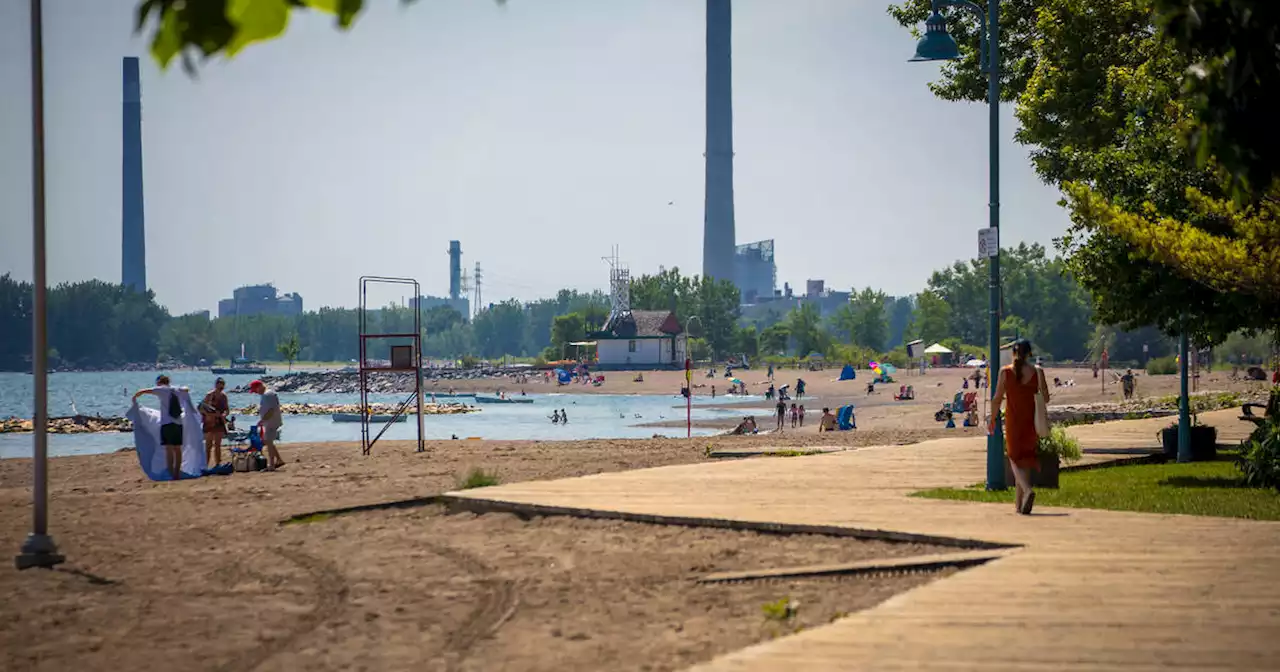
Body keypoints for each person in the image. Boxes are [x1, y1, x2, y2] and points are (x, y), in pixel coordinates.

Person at [989, 339, 1050, 515]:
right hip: (1030, 421)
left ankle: (1027, 490)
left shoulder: (1005, 372)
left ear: (1013, 353)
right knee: (1026, 460)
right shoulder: (1037, 372)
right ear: (1029, 353)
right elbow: (1045, 398)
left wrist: (992, 418)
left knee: (1014, 458)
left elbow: (997, 398)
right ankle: (1019, 505)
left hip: (1013, 420)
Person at [133, 375, 186, 480]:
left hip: (167, 423)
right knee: (177, 449)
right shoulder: (176, 389)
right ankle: (177, 473)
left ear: (159, 382)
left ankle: (171, 472)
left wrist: (136, 396)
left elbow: (145, 391)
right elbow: (186, 389)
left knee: (169, 449)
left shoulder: (161, 390)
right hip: (178, 423)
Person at [249, 380, 285, 471]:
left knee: (268, 441)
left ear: (259, 386)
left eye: (255, 390)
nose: (256, 393)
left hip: (271, 421)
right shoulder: (266, 394)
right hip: (269, 421)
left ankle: (272, 465)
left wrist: (263, 420)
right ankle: (279, 460)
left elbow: (271, 410)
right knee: (268, 441)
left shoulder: (267, 395)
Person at [200, 377, 230, 466]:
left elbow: (227, 409)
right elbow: (201, 409)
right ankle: (206, 464)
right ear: (216, 385)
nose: (221, 389)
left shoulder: (224, 396)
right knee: (208, 445)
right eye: (219, 387)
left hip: (219, 422)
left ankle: (218, 463)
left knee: (218, 445)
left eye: (222, 387)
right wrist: (211, 415)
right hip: (209, 422)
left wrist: (224, 415)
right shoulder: (209, 395)